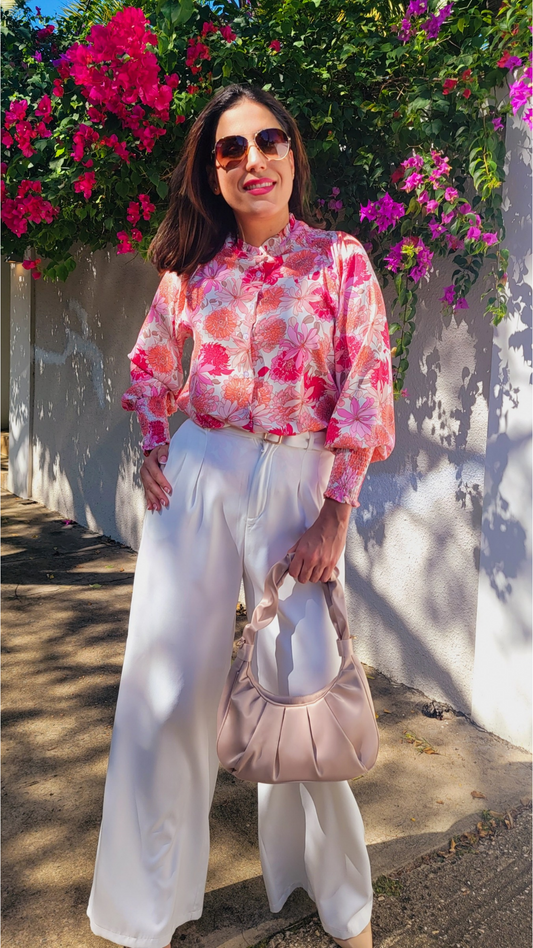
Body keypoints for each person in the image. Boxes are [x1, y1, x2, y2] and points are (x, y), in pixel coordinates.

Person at [87, 83, 395, 948]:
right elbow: (153, 362)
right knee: (165, 686)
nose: (252, 160)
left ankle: (339, 899)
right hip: (199, 469)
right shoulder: (194, 270)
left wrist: (335, 515)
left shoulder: (340, 260)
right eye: (231, 149)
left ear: (292, 152)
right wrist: (154, 441)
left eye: (267, 141)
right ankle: (145, 908)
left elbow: (366, 389)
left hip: (300, 480)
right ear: (211, 171)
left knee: (301, 685)